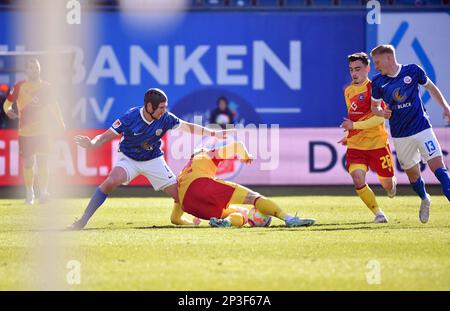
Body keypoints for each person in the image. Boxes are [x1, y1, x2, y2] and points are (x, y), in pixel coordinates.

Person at [67, 88, 229, 230]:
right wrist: (92, 143)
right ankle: (82, 221)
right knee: (111, 181)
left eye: (165, 107)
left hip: (153, 160)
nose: (164, 111)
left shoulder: (166, 118)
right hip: (128, 159)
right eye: (161, 108)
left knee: (182, 198)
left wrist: (213, 133)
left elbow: (189, 127)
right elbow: (104, 137)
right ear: (149, 106)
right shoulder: (130, 117)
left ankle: (218, 217)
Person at [370, 44, 450, 223]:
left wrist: (446, 108)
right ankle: (424, 198)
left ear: (388, 58)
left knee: (440, 170)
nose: (376, 67)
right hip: (400, 135)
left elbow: (431, 88)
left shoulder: (413, 71)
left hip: (422, 128)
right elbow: (374, 106)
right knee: (413, 176)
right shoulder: (377, 82)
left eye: (377, 62)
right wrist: (381, 112)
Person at [170, 141, 316, 228]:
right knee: (253, 197)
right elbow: (237, 146)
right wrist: (245, 155)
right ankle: (289, 219)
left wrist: (192, 224)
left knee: (242, 214)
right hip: (202, 185)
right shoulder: (206, 154)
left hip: (191, 206)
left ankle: (226, 222)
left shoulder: (182, 175)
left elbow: (175, 219)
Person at [339, 52, 397, 224]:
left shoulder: (375, 88)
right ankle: (379, 214)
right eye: (351, 70)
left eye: (358, 69)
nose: (354, 73)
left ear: (367, 68)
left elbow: (380, 118)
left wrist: (354, 127)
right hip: (356, 145)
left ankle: (391, 185)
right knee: (357, 178)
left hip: (377, 143)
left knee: (387, 185)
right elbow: (354, 118)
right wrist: (348, 134)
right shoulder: (348, 91)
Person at [2, 58, 65, 204]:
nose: (34, 70)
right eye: (31, 68)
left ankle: (43, 193)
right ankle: (30, 193)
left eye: (36, 67)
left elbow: (54, 106)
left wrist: (60, 122)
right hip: (25, 132)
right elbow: (7, 103)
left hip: (44, 131)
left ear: (40, 69)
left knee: (43, 162)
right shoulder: (19, 86)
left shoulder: (47, 87)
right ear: (26, 70)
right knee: (28, 163)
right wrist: (8, 111)